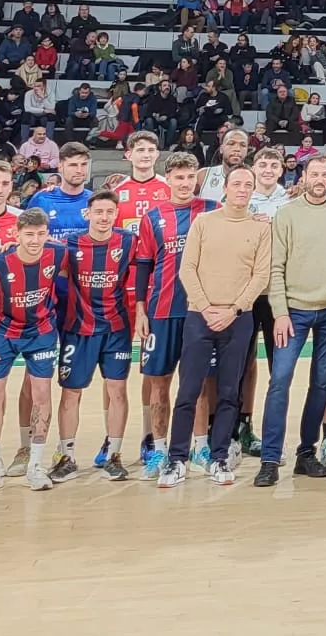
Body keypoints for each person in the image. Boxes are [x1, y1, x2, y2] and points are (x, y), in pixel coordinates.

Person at [162, 165, 271, 488]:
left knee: (229, 393)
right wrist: (207, 307)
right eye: (236, 183)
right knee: (188, 391)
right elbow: (187, 269)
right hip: (200, 316)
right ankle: (177, 459)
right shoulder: (204, 222)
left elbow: (261, 275)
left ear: (253, 190)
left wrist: (234, 309)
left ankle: (219, 456)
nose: (241, 189)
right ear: (225, 187)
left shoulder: (261, 227)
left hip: (238, 319)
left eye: (247, 185)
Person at [257, 153, 326, 486]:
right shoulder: (286, 214)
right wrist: (280, 313)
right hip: (293, 312)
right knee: (280, 381)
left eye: (325, 174)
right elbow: (275, 267)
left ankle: (306, 453)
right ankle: (270, 459)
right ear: (303, 177)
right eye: (314, 173)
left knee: (321, 383)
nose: (320, 179)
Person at [131, 153, 215, 479]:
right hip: (161, 312)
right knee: (159, 384)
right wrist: (140, 309)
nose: (184, 183)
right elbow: (143, 265)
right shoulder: (153, 217)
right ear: (168, 179)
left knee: (201, 383)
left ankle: (201, 445)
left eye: (189, 177)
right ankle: (159, 450)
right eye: (178, 177)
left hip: (199, 310)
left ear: (197, 178)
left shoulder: (210, 211)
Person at [0, 208, 60, 494]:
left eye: (40, 234)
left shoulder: (58, 255)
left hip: (41, 333)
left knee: (42, 395)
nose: (35, 240)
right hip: (2, 334)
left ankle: (35, 464)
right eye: (29, 234)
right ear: (16, 234)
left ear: (48, 233)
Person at [53, 190, 137, 482]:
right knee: (71, 393)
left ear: (116, 215)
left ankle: (113, 454)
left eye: (109, 212)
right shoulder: (70, 244)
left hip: (117, 330)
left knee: (117, 391)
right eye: (98, 212)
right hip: (79, 330)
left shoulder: (128, 241)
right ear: (87, 214)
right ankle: (67, 456)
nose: (103, 218)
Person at [111, 131, 170, 233]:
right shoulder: (116, 191)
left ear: (157, 155)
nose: (146, 155)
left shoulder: (169, 188)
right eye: (140, 150)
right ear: (129, 155)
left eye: (151, 150)